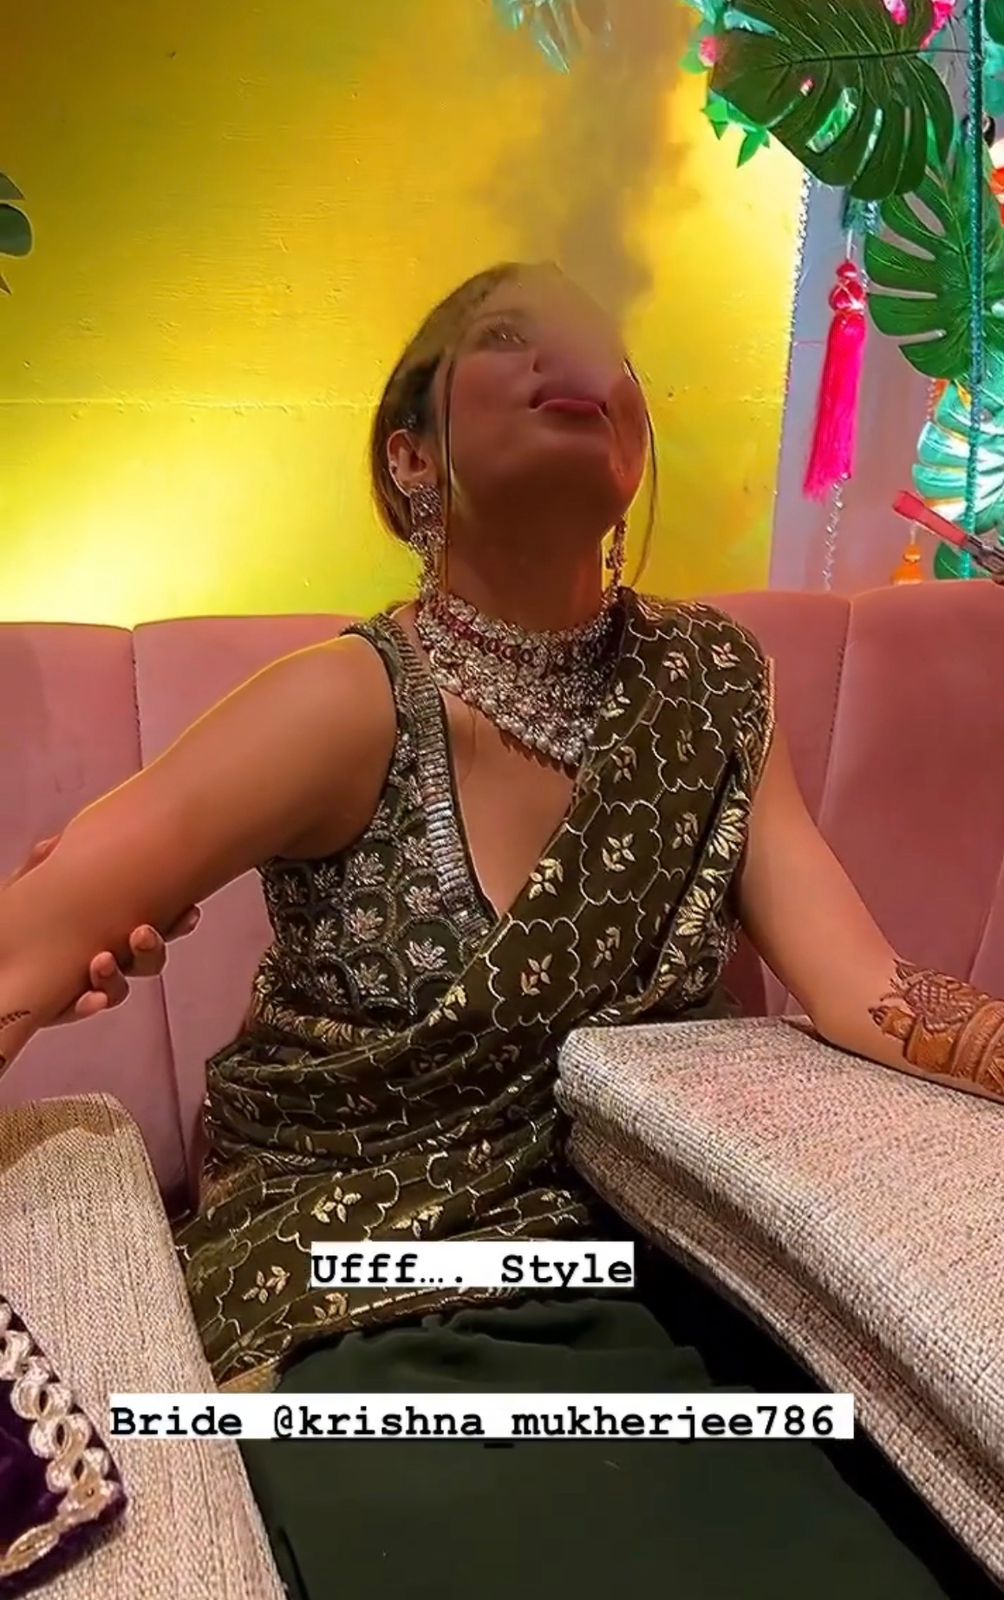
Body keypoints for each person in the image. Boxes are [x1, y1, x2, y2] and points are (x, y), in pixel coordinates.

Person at [2, 262, 1002, 1600]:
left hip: (653, 1260)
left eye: (597, 341)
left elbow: (868, 989)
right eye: (508, 338)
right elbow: (28, 944)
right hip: (367, 1290)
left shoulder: (711, 686)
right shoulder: (343, 702)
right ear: (413, 457)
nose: (569, 357)